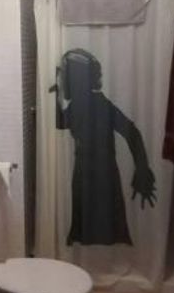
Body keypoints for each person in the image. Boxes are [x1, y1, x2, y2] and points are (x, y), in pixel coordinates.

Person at [54, 49, 156, 245]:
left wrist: (142, 169)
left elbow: (132, 133)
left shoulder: (97, 105)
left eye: (65, 77)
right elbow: (60, 123)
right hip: (95, 173)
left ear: (76, 79)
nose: (63, 81)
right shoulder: (83, 105)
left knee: (100, 229)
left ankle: (99, 259)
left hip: (99, 175)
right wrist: (141, 167)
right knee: (100, 230)